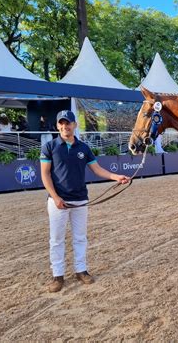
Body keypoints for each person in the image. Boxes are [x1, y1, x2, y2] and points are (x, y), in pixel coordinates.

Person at [40, 110, 130, 293]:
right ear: (58, 126)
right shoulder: (49, 147)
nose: (65, 126)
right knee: (56, 239)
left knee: (80, 238)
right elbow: (45, 174)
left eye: (69, 123)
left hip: (80, 200)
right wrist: (56, 198)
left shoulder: (84, 148)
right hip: (58, 202)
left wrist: (116, 177)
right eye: (62, 123)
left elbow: (97, 170)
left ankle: (81, 270)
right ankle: (58, 276)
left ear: (75, 125)